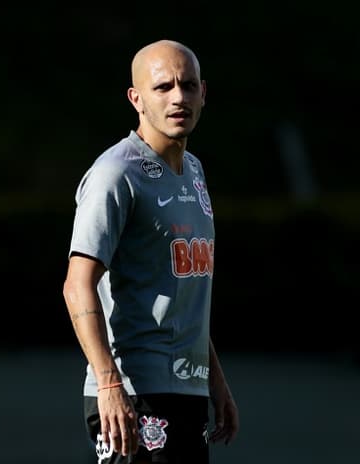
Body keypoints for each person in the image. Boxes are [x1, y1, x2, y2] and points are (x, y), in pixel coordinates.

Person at [62, 39, 239, 464]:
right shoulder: (115, 174)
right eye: (163, 87)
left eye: (189, 85)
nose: (179, 97)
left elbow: (182, 292)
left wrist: (216, 382)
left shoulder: (193, 171)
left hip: (187, 391)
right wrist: (108, 384)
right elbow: (76, 285)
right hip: (134, 393)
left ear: (203, 94)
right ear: (136, 98)